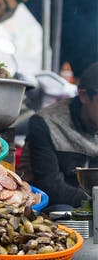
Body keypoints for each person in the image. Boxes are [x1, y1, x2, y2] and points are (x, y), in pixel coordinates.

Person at [19, 62, 98, 209]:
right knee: (61, 208)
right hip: (53, 207)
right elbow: (51, 186)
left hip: (93, 205)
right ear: (84, 96)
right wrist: (93, 202)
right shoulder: (47, 123)